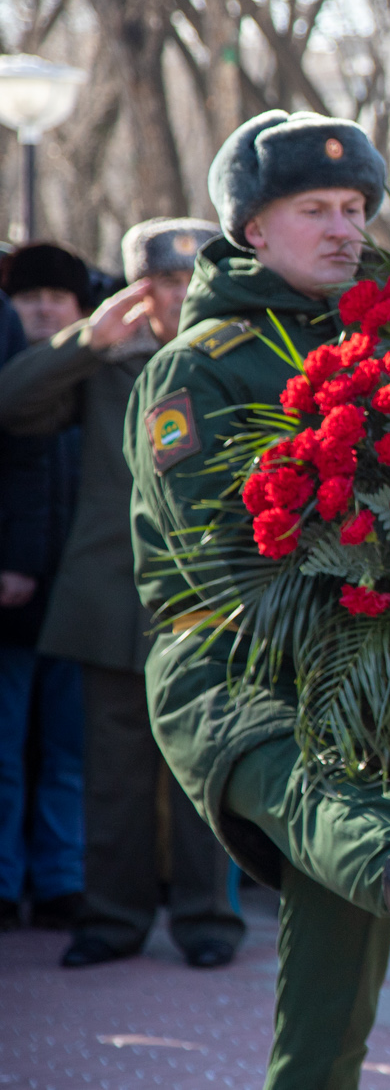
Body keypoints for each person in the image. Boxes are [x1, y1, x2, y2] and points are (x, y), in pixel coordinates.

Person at [127, 111, 390, 1089]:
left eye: (355, 205)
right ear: (252, 230)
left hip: (375, 666)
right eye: (314, 207)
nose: (345, 226)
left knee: (330, 992)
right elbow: (215, 558)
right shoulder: (200, 364)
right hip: (235, 669)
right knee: (328, 796)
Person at [0, 219, 244, 967]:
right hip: (114, 599)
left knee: (209, 770)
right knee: (114, 775)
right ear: (140, 290)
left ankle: (208, 921)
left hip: (214, 599)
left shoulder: (239, 362)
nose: (178, 296)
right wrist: (85, 341)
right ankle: (112, 918)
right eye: (164, 282)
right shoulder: (109, 367)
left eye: (189, 280)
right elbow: (11, 405)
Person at [0, 242, 91, 933]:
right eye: (28, 298)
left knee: (67, 750)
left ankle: (62, 876)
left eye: (56, 299)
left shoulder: (92, 384)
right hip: (13, 606)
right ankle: (5, 878)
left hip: (79, 605)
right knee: (5, 749)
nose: (41, 309)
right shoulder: (13, 387)